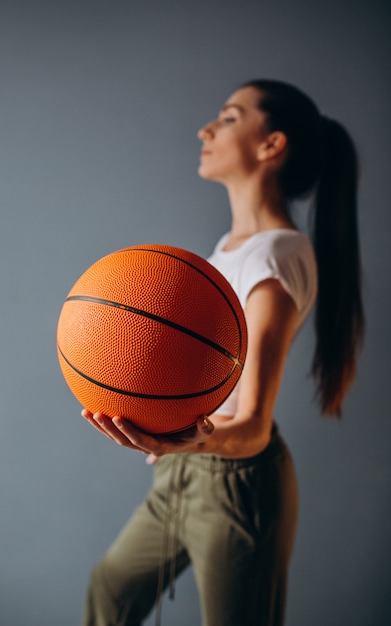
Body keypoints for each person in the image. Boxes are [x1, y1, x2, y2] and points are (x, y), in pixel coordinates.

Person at [80, 79, 364, 626]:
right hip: (184, 470)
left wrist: (181, 442)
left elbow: (253, 423)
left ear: (271, 145)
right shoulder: (230, 250)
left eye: (230, 118)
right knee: (109, 591)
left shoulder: (278, 256)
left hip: (238, 479)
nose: (205, 129)